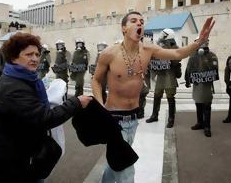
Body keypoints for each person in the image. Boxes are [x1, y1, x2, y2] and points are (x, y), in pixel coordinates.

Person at [92, 11, 215, 182]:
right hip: (114, 118)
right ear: (124, 28)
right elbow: (96, 80)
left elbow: (177, 54)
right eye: (134, 21)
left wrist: (198, 42)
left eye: (142, 21)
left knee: (115, 163)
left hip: (133, 117)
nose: (139, 24)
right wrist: (100, 107)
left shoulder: (148, 50)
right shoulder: (109, 53)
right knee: (126, 169)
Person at [0, 32, 92, 183]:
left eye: (37, 54)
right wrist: (75, 103)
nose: (35, 59)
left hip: (22, 155)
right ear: (13, 57)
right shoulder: (14, 87)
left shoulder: (23, 78)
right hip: (9, 166)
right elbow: (44, 118)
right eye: (28, 54)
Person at [146, 29, 182, 128]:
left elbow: (177, 59)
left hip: (169, 75)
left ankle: (171, 119)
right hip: (160, 74)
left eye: (163, 34)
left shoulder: (174, 46)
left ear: (167, 35)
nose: (161, 35)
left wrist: (169, 48)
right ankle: (154, 115)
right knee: (157, 95)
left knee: (170, 97)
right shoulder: (158, 45)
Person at [185, 39, 219, 137]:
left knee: (207, 106)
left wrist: (205, 59)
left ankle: (207, 126)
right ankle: (200, 123)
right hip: (197, 84)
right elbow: (188, 69)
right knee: (198, 104)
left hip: (207, 85)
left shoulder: (212, 55)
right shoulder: (193, 55)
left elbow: (214, 69)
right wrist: (187, 80)